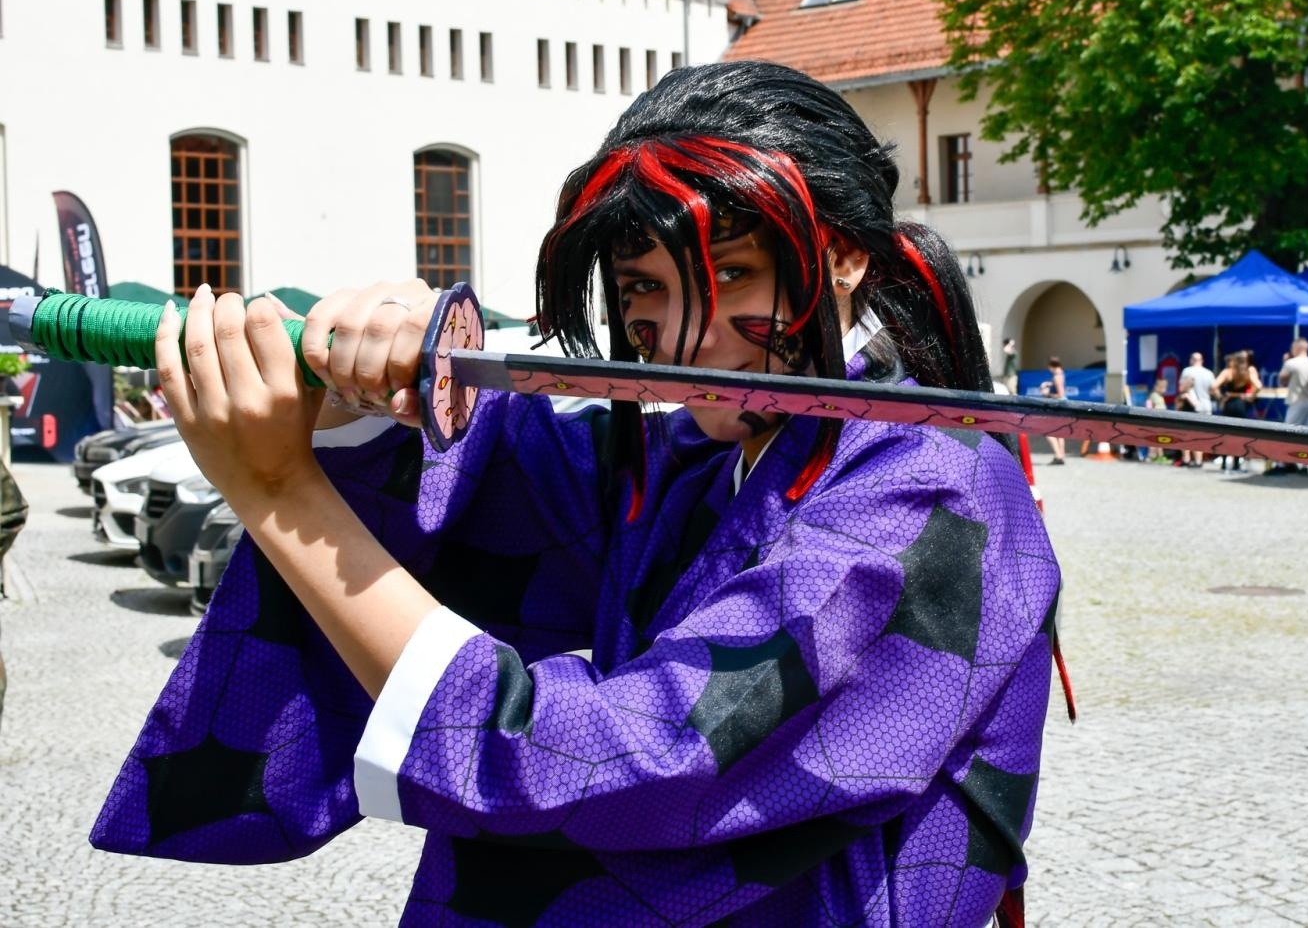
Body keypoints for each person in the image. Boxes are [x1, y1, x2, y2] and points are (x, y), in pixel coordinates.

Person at [90, 62, 1061, 928]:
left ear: (845, 256)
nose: (683, 339)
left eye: (731, 273)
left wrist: (279, 490)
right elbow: (502, 468)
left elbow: (625, 755)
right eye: (642, 287)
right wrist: (371, 392)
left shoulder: (931, 483)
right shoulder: (691, 444)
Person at [1266, 338, 1308, 476]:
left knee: (1287, 434)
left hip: (1297, 401)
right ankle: (1304, 465)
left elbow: (1282, 379)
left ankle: (1282, 463)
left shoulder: (1291, 363)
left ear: (1297, 348)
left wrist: (1284, 362)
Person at [1211, 352, 1260, 472]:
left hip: (1228, 404)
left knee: (1225, 434)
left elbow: (1213, 386)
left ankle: (1223, 462)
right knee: (1239, 435)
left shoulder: (1228, 371)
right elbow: (1258, 386)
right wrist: (1249, 396)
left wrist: (1220, 397)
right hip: (1241, 404)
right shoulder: (1249, 371)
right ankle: (1236, 464)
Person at [1173, 374, 1204, 466]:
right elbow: (1178, 407)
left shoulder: (1191, 392)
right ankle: (1186, 459)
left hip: (1192, 419)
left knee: (1194, 440)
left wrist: (1187, 397)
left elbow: (1196, 405)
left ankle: (1198, 461)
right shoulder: (1182, 394)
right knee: (1184, 439)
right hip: (1184, 419)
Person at [1044, 355, 1068, 464]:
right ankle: (1061, 455)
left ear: (1051, 366)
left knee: (1047, 432)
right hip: (1062, 406)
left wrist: (1047, 393)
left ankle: (1058, 456)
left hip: (1057, 406)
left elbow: (1060, 394)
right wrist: (1051, 384)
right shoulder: (1061, 374)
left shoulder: (1056, 377)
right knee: (1060, 432)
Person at [1178, 352, 1215, 416]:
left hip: (1193, 407)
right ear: (1202, 361)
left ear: (1191, 360)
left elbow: (1181, 389)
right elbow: (1213, 391)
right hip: (1207, 407)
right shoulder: (1209, 373)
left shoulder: (1187, 371)